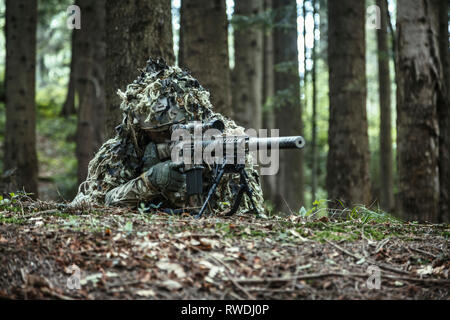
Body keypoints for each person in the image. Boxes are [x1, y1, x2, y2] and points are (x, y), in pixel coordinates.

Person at [72, 58, 264, 215]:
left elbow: (241, 210)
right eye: (159, 133)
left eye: (173, 130)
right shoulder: (123, 150)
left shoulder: (220, 139)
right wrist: (149, 182)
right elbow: (101, 202)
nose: (167, 137)